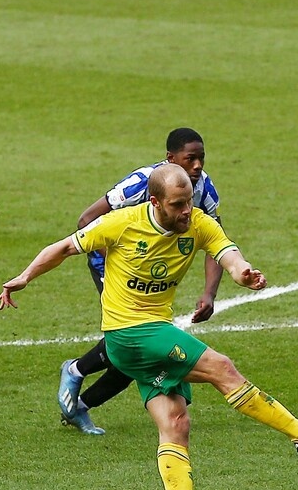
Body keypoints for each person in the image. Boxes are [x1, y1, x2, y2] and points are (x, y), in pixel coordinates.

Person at [0, 164, 298, 490]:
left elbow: (228, 253)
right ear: (155, 202)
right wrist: (25, 276)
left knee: (175, 423)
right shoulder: (121, 223)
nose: (187, 210)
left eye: (188, 201)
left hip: (151, 335)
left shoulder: (198, 223)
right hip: (128, 333)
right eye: (177, 205)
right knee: (222, 368)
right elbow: (63, 248)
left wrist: (243, 272)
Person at [56, 127, 223, 435]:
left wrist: (209, 293)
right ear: (170, 159)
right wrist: (126, 263)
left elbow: (217, 244)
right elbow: (86, 220)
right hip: (113, 265)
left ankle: (80, 405)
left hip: (150, 274)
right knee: (131, 340)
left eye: (201, 158)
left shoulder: (204, 190)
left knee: (136, 355)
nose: (198, 165)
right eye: (190, 159)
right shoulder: (140, 183)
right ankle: (76, 371)